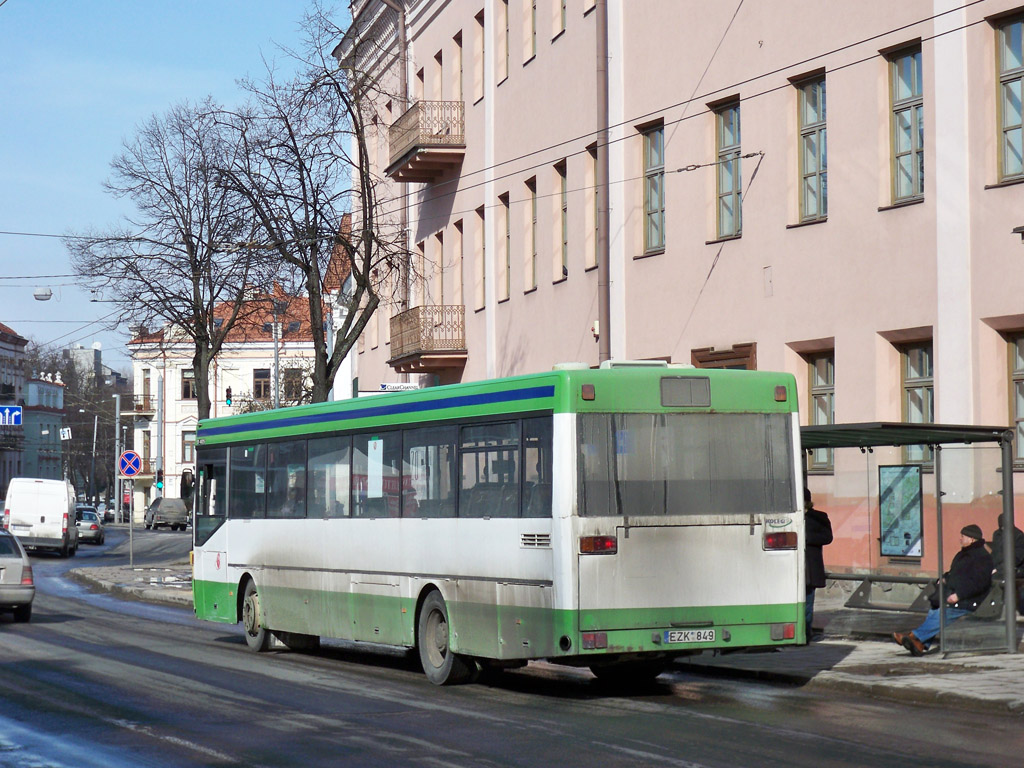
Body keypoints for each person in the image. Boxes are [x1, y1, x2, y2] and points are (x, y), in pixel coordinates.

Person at [893, 524, 993, 656]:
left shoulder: (981, 557)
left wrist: (959, 595)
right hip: (955, 595)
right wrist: (944, 579)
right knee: (935, 609)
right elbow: (954, 573)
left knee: (942, 613)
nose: (960, 539)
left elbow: (979, 583)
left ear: (972, 539)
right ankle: (919, 643)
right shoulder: (963, 554)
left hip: (969, 600)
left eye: (963, 536)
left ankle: (914, 637)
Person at [804, 488, 833, 639]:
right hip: (793, 569)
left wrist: (807, 537)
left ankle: (806, 633)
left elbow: (827, 537)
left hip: (811, 567)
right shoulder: (789, 517)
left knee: (808, 602)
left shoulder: (818, 517)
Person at [989, 513, 1024, 614]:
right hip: (998, 566)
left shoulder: (1018, 535)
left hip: (1014, 568)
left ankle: (1000, 607)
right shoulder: (997, 534)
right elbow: (995, 553)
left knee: (998, 577)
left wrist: (999, 568)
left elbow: (1017, 557)